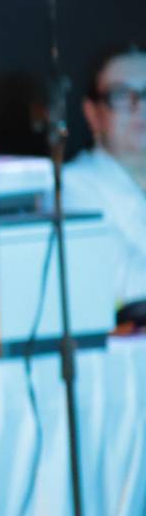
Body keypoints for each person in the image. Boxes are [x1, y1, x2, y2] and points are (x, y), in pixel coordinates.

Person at [63, 42, 146, 329]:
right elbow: (126, 286)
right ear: (92, 113)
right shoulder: (73, 186)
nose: (140, 107)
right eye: (122, 95)